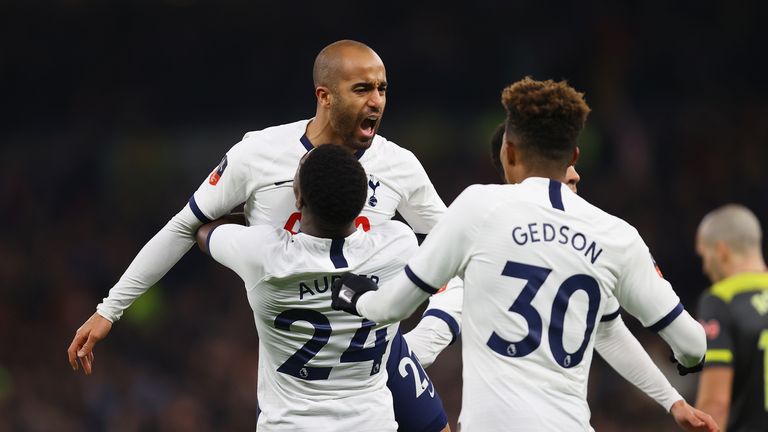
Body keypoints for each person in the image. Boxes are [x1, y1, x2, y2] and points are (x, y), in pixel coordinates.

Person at [68, 39, 449, 432]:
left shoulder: (398, 165)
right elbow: (183, 224)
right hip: (302, 358)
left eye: (382, 89)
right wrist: (111, 307)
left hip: (373, 350)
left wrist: (433, 332)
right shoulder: (259, 154)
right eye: (362, 89)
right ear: (325, 96)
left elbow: (460, 247)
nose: (377, 101)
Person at [332, 77, 716, 431]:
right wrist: (683, 377)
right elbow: (689, 342)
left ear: (509, 152)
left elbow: (391, 307)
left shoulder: (477, 207)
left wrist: (352, 295)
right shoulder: (617, 236)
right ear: (574, 157)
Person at [194, 144, 423, 430]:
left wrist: (257, 220)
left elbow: (203, 232)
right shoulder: (399, 246)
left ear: (298, 198)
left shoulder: (264, 255)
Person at [694, 204, 768, 431]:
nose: (705, 268)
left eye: (704, 256)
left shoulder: (720, 300)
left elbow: (715, 404)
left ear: (721, 251)